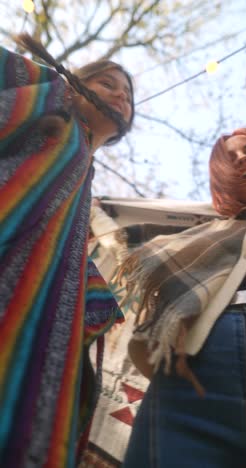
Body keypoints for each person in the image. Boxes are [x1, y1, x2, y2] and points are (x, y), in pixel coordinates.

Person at [0, 34, 134, 468]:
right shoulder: (50, 92)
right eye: (108, 82)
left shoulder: (85, 178)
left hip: (28, 367)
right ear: (77, 83)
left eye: (128, 94)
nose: (120, 94)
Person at [119, 128, 246, 468]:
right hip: (190, 386)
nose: (242, 157)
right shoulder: (198, 238)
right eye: (231, 157)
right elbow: (117, 253)